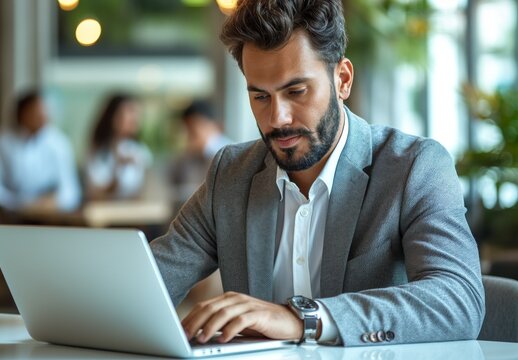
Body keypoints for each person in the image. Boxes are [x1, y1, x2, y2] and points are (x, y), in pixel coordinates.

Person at [150, 0, 484, 347]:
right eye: (261, 96)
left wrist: (303, 319)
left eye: (296, 91)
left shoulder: (415, 167)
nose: (277, 118)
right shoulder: (231, 175)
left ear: (342, 79)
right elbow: (150, 285)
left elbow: (458, 301)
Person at [0, 91, 81, 213]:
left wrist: (52, 202)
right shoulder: (2, 141)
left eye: (45, 111)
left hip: (49, 216)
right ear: (22, 113)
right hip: (9, 214)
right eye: (37, 111)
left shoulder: (59, 143)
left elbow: (71, 192)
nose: (43, 116)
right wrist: (19, 204)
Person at [85, 94, 152, 200]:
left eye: (135, 113)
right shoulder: (99, 150)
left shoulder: (140, 150)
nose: (133, 118)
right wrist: (117, 168)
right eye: (129, 112)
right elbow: (97, 191)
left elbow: (146, 191)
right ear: (113, 117)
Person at [171, 100, 232, 204]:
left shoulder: (230, 154)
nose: (188, 136)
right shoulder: (187, 157)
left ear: (211, 125)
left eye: (192, 130)